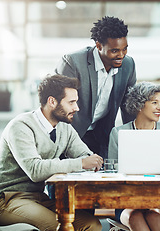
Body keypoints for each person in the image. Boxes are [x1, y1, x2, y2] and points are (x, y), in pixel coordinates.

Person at [0, 74, 103, 231]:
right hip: (6, 200)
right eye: (71, 102)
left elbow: (84, 154)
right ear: (52, 101)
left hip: (38, 198)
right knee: (57, 229)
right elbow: (35, 170)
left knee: (91, 226)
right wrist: (82, 163)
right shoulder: (21, 126)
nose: (77, 108)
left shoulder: (64, 128)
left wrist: (92, 160)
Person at [108, 82, 160, 231]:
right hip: (128, 200)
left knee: (155, 215)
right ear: (138, 104)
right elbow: (113, 172)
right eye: (154, 102)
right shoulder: (118, 133)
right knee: (134, 216)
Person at [55, 16, 136, 158]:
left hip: (101, 133)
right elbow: (58, 105)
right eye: (114, 51)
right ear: (98, 46)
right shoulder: (73, 63)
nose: (121, 55)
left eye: (125, 49)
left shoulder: (128, 65)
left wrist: (133, 140)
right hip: (72, 131)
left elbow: (129, 107)